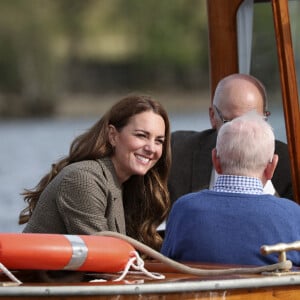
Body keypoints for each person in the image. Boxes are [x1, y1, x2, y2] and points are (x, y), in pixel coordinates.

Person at [19, 94, 171, 252]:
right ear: (112, 135)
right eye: (141, 135)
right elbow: (102, 256)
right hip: (36, 276)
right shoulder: (83, 179)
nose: (151, 148)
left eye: (159, 141)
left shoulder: (129, 185)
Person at [161, 112, 300, 266]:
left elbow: (166, 267)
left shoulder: (184, 209)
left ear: (215, 160)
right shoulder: (293, 215)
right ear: (271, 167)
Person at [168, 73, 293, 204]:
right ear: (213, 117)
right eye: (233, 122)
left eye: (253, 120)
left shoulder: (286, 162)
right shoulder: (178, 152)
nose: (243, 131)